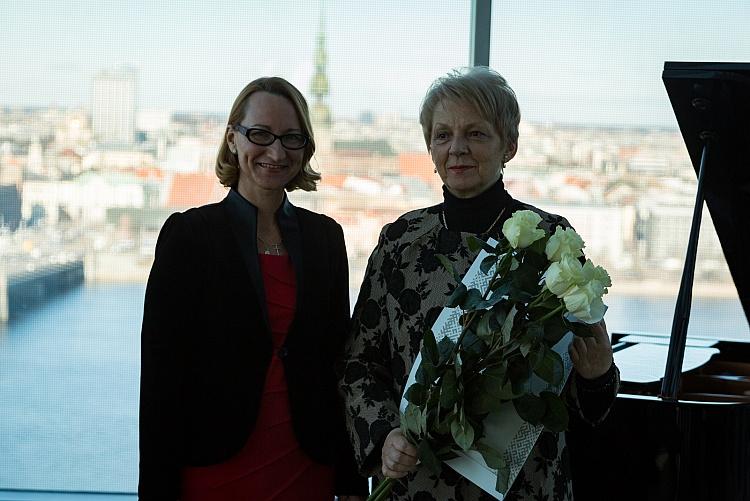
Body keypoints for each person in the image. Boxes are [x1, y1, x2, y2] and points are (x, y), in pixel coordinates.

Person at [340, 67, 619, 501]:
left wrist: (598, 375)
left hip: (523, 486)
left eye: (476, 134)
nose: (457, 148)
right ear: (429, 146)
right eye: (442, 135)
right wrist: (384, 437)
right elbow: (360, 364)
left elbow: (586, 401)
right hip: (416, 483)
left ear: (509, 145)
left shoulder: (550, 244)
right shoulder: (400, 242)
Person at [139, 76, 367, 501]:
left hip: (308, 468)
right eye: (260, 134)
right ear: (232, 139)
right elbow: (160, 384)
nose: (276, 152)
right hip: (215, 471)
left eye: (291, 138)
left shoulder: (326, 238)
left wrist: (352, 482)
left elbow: (340, 365)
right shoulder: (189, 236)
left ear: (305, 148)